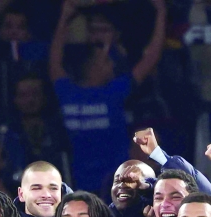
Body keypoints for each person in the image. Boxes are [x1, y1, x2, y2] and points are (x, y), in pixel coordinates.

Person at [49, 0, 166, 192]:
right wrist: (65, 15)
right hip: (84, 182)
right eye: (106, 62)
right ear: (90, 66)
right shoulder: (100, 92)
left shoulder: (87, 93)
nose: (112, 66)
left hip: (117, 180)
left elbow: (150, 59)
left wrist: (161, 13)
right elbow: (54, 59)